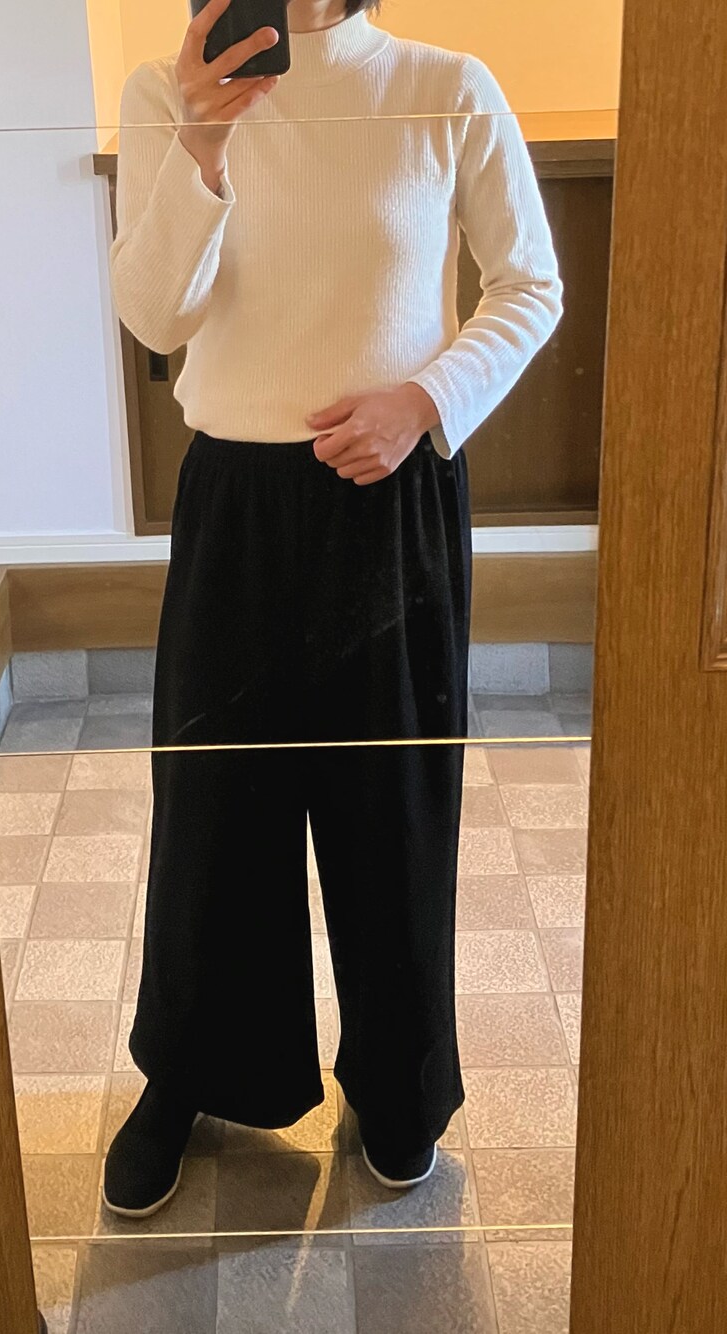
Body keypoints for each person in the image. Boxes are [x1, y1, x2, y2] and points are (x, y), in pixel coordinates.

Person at [103, 0, 562, 1216]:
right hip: (235, 503)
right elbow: (153, 316)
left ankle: (398, 1084)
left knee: (392, 809)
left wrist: (426, 398)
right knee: (214, 814)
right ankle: (191, 1072)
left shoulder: (444, 86)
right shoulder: (167, 92)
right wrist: (203, 148)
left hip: (393, 494)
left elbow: (529, 283)